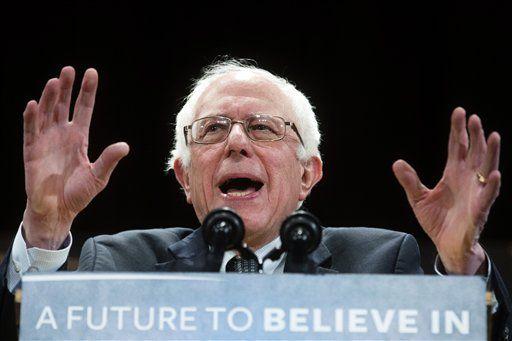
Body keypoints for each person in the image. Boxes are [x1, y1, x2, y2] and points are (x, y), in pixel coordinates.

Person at [0, 60, 510, 339]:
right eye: (213, 129)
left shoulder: (380, 264)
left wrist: (462, 269)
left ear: (309, 173)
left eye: (264, 128)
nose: (236, 141)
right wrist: (44, 232)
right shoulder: (115, 265)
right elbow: (26, 332)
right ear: (183, 176)